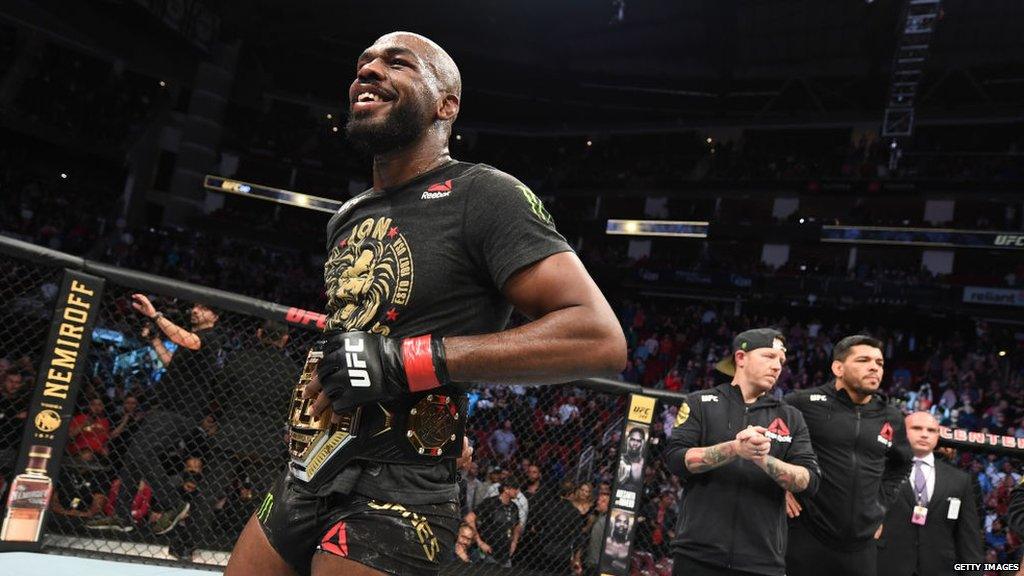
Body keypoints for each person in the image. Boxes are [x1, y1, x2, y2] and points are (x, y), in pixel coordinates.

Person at [225, 31, 625, 576]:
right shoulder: (348, 215)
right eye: (363, 63)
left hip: (402, 485)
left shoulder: (485, 195)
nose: (368, 70)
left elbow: (599, 338)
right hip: (309, 469)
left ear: (447, 104)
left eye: (397, 63)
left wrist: (406, 360)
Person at [663, 328, 820, 576]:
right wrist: (735, 449)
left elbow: (809, 480)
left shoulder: (791, 416)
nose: (777, 366)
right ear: (741, 358)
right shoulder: (700, 402)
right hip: (698, 554)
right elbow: (675, 460)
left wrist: (762, 459)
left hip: (762, 560)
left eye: (780, 361)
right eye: (769, 356)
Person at [784, 335, 913, 576]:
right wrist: (780, 486)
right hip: (805, 535)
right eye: (863, 360)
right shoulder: (801, 403)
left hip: (861, 547)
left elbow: (902, 465)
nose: (874, 367)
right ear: (838, 368)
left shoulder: (892, 417)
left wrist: (880, 505)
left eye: (880, 362)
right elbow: (770, 447)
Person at [876, 411, 983, 576]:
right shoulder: (878, 469)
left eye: (931, 430)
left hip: (940, 568)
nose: (924, 434)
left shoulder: (960, 479)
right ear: (902, 431)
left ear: (937, 435)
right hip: (884, 565)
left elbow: (968, 538)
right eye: (917, 428)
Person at [465, 478, 522, 566]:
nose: (518, 491)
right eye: (516, 488)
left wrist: (514, 542)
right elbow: (469, 518)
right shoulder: (490, 503)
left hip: (506, 555)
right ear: (506, 489)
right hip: (488, 552)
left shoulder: (514, 507)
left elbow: (517, 525)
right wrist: (480, 542)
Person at [617, 427, 646, 493]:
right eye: (633, 439)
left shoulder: (644, 463)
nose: (635, 444)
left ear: (642, 443)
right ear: (628, 440)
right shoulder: (620, 458)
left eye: (638, 441)